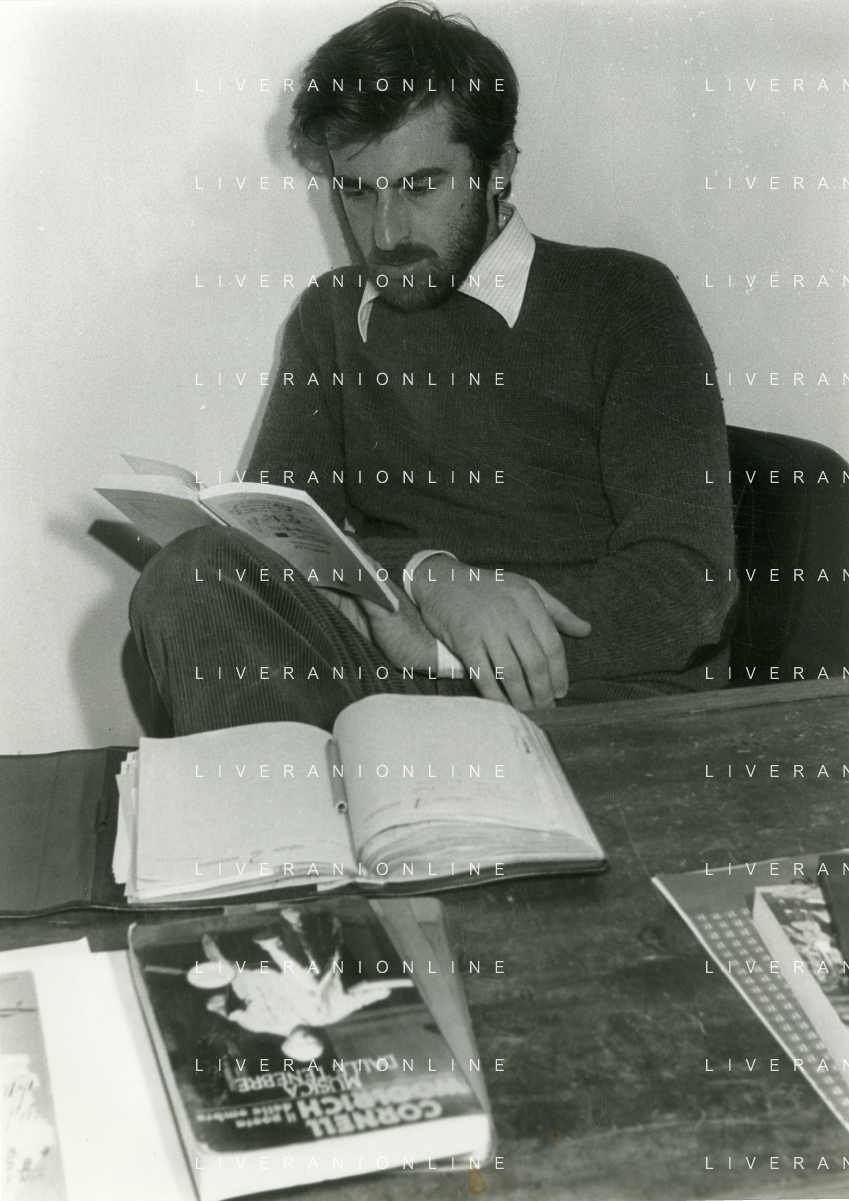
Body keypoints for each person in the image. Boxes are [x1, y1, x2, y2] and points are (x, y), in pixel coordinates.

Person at [130, 1, 738, 736]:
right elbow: (283, 539)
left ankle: (318, 800)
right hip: (387, 675)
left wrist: (453, 639)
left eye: (420, 186)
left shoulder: (625, 299)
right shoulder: (330, 316)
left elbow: (689, 585)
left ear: (497, 171)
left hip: (575, 695)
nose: (385, 234)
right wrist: (429, 576)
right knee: (196, 571)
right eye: (356, 190)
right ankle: (307, 803)